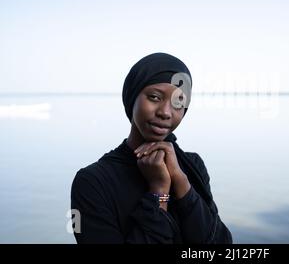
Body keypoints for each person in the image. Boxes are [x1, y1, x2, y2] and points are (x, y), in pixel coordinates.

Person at [71, 52, 233, 244]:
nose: (165, 112)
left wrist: (181, 182)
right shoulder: (92, 182)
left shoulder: (192, 165)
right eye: (155, 97)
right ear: (132, 97)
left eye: (178, 103)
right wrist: (158, 192)